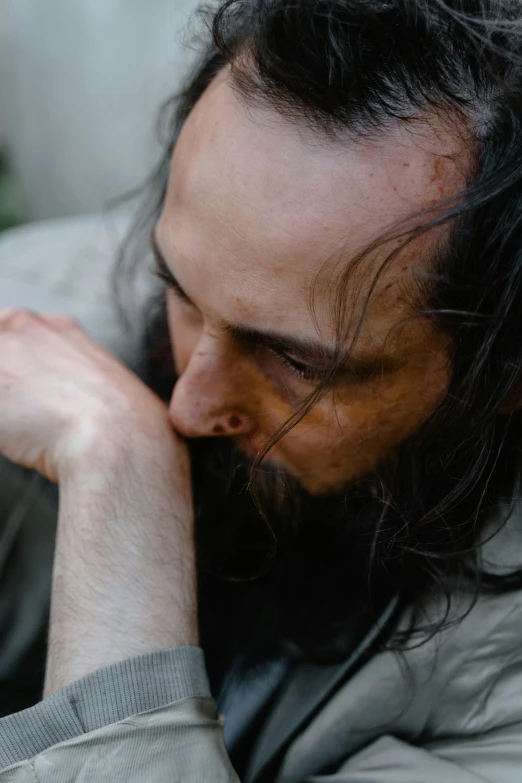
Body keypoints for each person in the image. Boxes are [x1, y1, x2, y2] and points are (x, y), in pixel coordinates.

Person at [1, 0, 522, 780]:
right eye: (177, 287)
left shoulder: (500, 706)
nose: (190, 404)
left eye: (299, 363)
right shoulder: (36, 320)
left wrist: (124, 487)